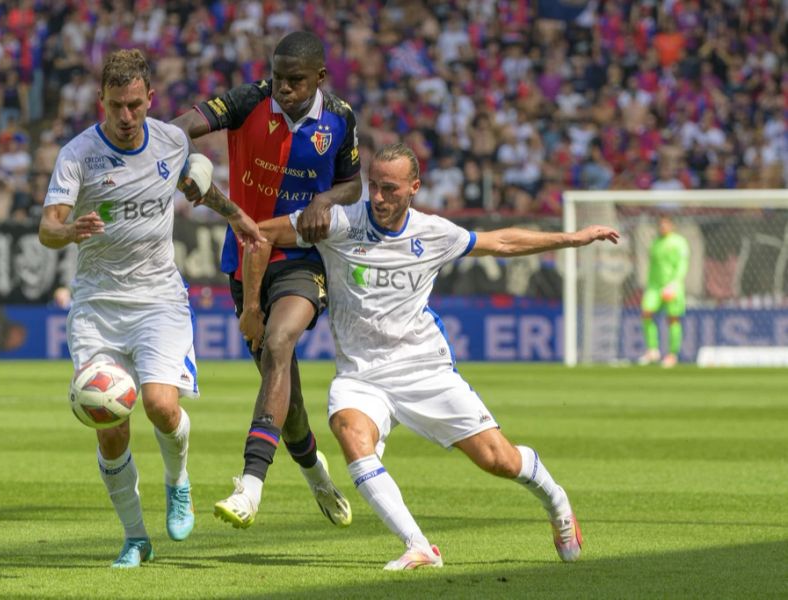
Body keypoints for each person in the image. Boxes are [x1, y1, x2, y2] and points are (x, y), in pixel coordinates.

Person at [240, 143, 620, 569]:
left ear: (414, 188)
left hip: (423, 367)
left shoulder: (434, 232)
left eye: (389, 188)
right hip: (361, 373)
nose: (379, 198)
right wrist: (252, 308)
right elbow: (261, 234)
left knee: (499, 460)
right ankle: (418, 545)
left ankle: (556, 500)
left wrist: (573, 238)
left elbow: (501, 243)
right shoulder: (341, 221)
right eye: (373, 187)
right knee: (348, 429)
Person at [38, 49, 262, 568]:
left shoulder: (171, 139)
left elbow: (196, 186)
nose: (125, 116)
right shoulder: (78, 154)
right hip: (98, 304)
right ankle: (136, 536)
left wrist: (237, 217)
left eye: (135, 105)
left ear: (149, 100)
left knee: (162, 406)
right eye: (116, 105)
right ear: (101, 101)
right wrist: (68, 230)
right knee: (110, 425)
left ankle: (177, 480)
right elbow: (48, 227)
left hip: (159, 298)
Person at [171, 31, 362, 529]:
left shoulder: (340, 118)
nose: (283, 88)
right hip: (246, 255)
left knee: (279, 342)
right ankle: (314, 469)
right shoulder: (249, 99)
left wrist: (325, 201)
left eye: (296, 81)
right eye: (278, 77)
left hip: (301, 255)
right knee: (289, 398)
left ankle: (249, 486)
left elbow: (353, 181)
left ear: (320, 78)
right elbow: (185, 125)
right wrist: (167, 147)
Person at [638, 215, 690, 368]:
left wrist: (674, 284)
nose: (663, 227)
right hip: (654, 285)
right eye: (660, 225)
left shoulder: (679, 242)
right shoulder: (655, 242)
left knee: (672, 318)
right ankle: (652, 350)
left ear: (672, 226)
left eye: (666, 224)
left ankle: (672, 355)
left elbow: (682, 264)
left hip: (673, 284)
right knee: (646, 312)